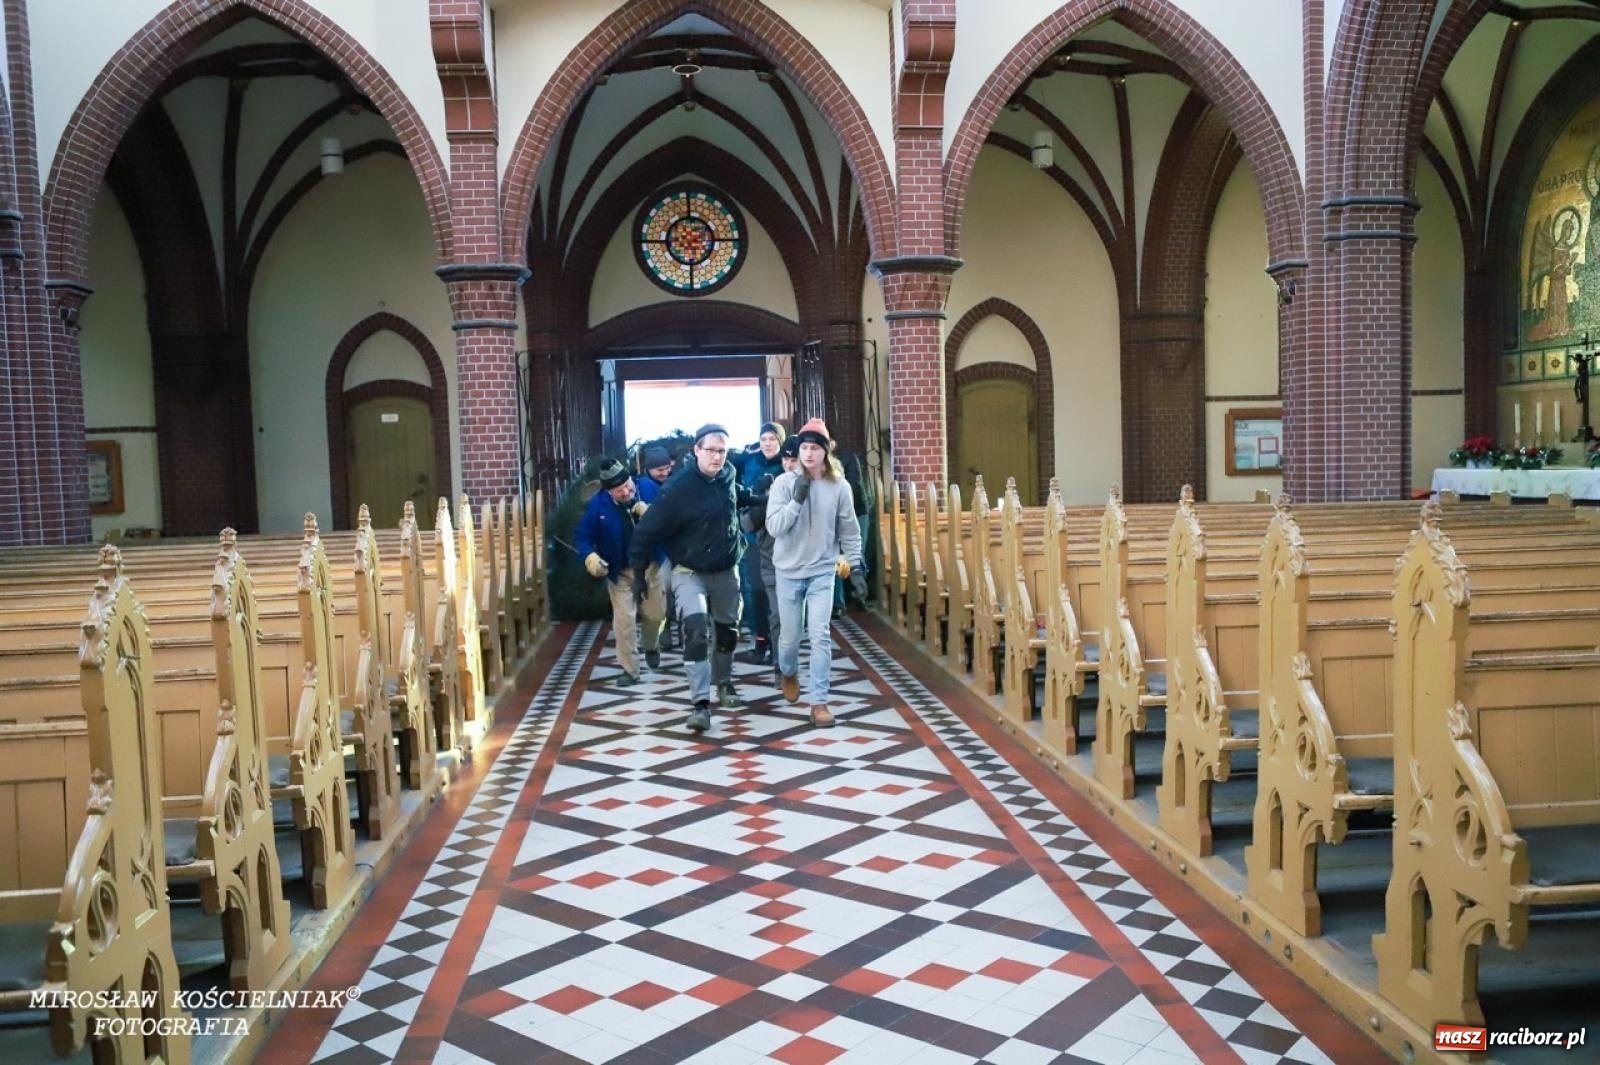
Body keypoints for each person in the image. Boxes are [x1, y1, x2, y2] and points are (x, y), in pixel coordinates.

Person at [629, 423, 752, 733]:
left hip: (725, 568)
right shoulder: (678, 489)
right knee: (695, 628)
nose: (717, 457)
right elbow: (648, 530)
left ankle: (723, 683)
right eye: (710, 450)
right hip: (689, 570)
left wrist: (756, 497)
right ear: (696, 450)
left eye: (722, 451)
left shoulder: (728, 475)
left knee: (727, 631)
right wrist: (639, 574)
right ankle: (700, 704)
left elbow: (732, 497)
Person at [766, 418, 866, 727]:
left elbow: (849, 528)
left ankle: (819, 702)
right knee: (790, 640)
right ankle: (789, 670)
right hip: (788, 571)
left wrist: (856, 562)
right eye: (804, 448)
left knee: (820, 635)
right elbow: (774, 527)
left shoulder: (840, 486)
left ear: (826, 451)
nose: (808, 454)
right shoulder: (783, 484)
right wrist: (797, 499)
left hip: (822, 570)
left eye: (814, 448)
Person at [576, 459, 664, 685]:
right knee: (624, 620)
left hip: (651, 565)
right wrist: (590, 557)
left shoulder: (649, 488)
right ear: (609, 492)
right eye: (619, 490)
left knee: (656, 614)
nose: (626, 491)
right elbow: (583, 537)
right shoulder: (598, 506)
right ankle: (630, 669)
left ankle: (652, 645)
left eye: (627, 485)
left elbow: (672, 518)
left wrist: (653, 515)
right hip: (620, 571)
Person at [740, 435, 799, 683]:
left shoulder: (814, 486)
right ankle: (781, 669)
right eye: (787, 459)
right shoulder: (769, 485)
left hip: (802, 563)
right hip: (771, 561)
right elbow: (747, 523)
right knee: (777, 616)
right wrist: (759, 498)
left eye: (794, 459)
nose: (790, 464)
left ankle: (789, 664)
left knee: (797, 623)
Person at [733, 422, 787, 664]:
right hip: (751, 534)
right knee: (754, 591)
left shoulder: (785, 465)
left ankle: (779, 648)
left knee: (776, 595)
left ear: (780, 442)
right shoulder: (751, 462)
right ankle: (760, 641)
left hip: (776, 537)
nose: (767, 443)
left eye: (772, 439)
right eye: (763, 439)